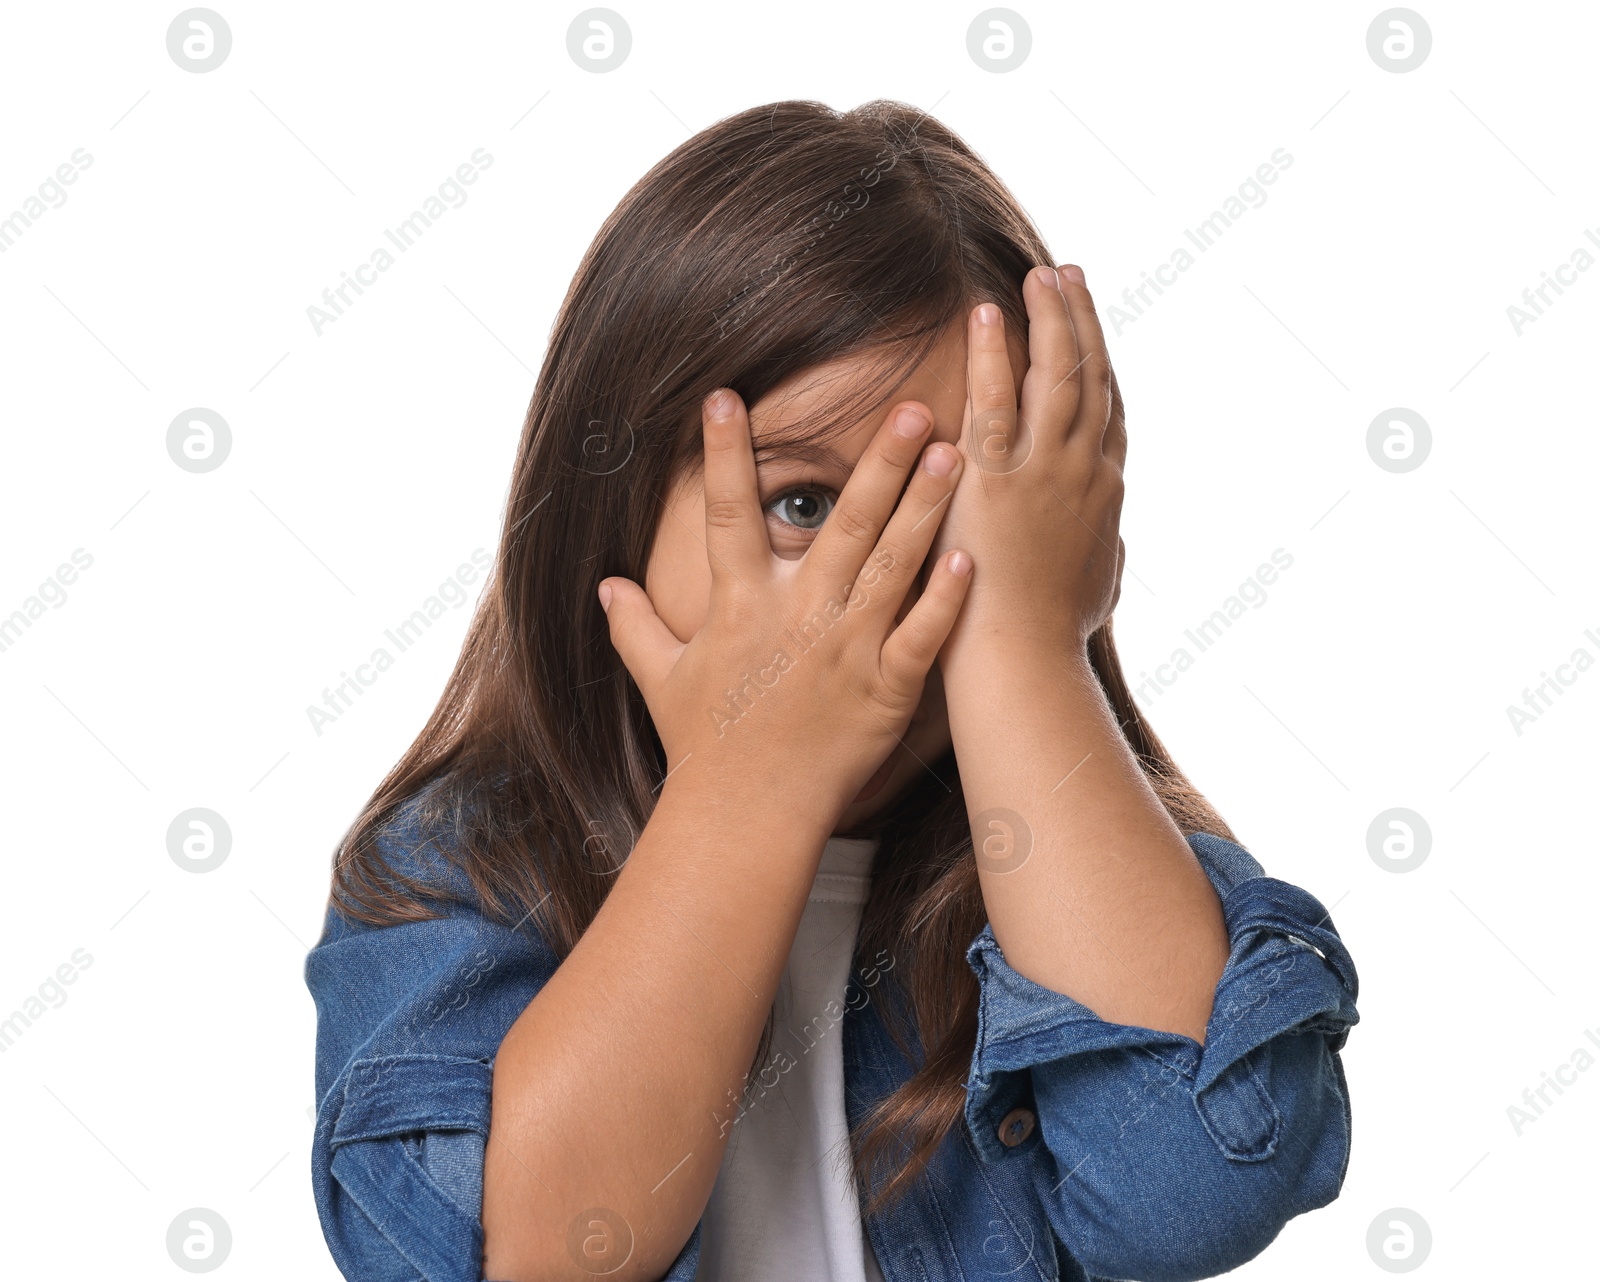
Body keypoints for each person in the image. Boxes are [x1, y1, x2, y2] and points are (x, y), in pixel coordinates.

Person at [305, 99, 1358, 1282]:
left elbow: (1195, 1194)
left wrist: (1023, 646)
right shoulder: (459, 867)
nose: (881, 585)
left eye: (961, 521)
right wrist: (750, 782)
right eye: (803, 505)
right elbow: (522, 1259)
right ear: (610, 507)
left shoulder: (1089, 867)